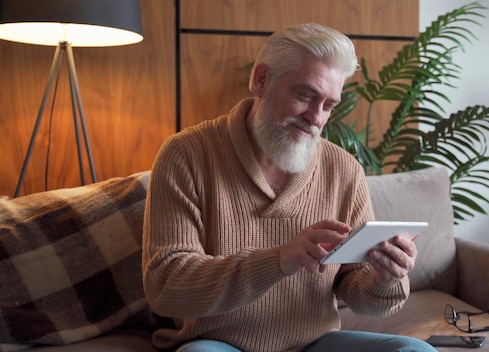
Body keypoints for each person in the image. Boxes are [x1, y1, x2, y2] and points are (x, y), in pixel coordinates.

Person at [142, 22, 437, 352]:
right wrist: (279, 260)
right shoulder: (186, 154)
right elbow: (165, 287)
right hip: (218, 343)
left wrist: (386, 279)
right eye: (306, 95)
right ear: (261, 79)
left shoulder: (343, 169)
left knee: (416, 351)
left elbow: (358, 292)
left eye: (328, 105)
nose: (316, 118)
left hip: (315, 344)